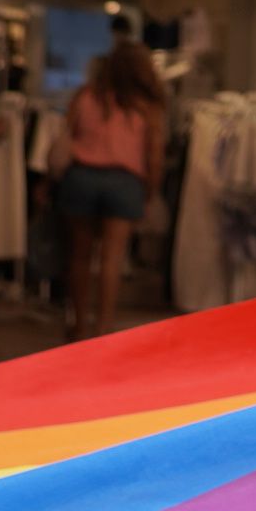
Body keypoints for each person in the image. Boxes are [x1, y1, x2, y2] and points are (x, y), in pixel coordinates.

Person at [57, 37, 165, 341]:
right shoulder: (147, 107)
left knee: (79, 256)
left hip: (82, 177)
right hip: (124, 182)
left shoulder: (87, 96)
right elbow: (154, 156)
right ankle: (103, 328)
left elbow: (67, 135)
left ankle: (78, 324)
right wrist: (151, 193)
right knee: (111, 259)